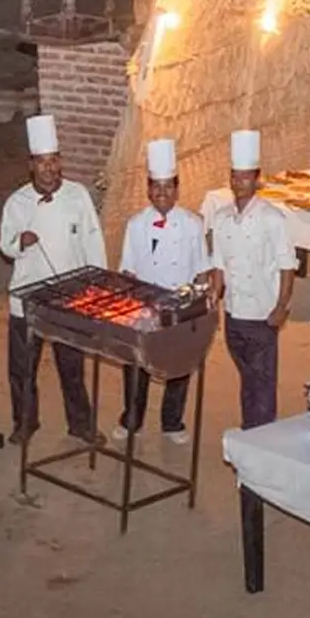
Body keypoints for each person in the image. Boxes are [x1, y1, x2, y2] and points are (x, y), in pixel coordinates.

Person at [0, 114, 105, 447]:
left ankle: (81, 424)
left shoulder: (78, 196)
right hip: (27, 298)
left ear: (60, 162)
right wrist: (20, 241)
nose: (48, 168)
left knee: (71, 366)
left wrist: (97, 287)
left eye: (53, 161)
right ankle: (25, 423)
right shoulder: (17, 202)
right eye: (42, 163)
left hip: (69, 297)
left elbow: (93, 240)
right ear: (31, 166)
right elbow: (4, 244)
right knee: (23, 368)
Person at [113, 137, 209, 444]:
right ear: (148, 188)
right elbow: (128, 269)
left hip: (179, 304)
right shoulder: (136, 224)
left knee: (179, 365)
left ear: (177, 190)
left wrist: (198, 305)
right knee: (137, 364)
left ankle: (172, 421)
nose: (162, 193)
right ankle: (131, 419)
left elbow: (201, 270)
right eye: (156, 186)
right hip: (144, 304)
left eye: (168, 186)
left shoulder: (193, 224)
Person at [205, 128, 297, 429]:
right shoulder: (221, 218)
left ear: (257, 179)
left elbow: (286, 265)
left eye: (244, 177)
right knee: (248, 378)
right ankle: (251, 430)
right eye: (234, 176)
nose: (238, 183)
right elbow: (218, 266)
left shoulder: (273, 219)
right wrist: (213, 302)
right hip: (234, 312)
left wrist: (281, 305)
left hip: (262, 313)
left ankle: (261, 437)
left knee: (262, 382)